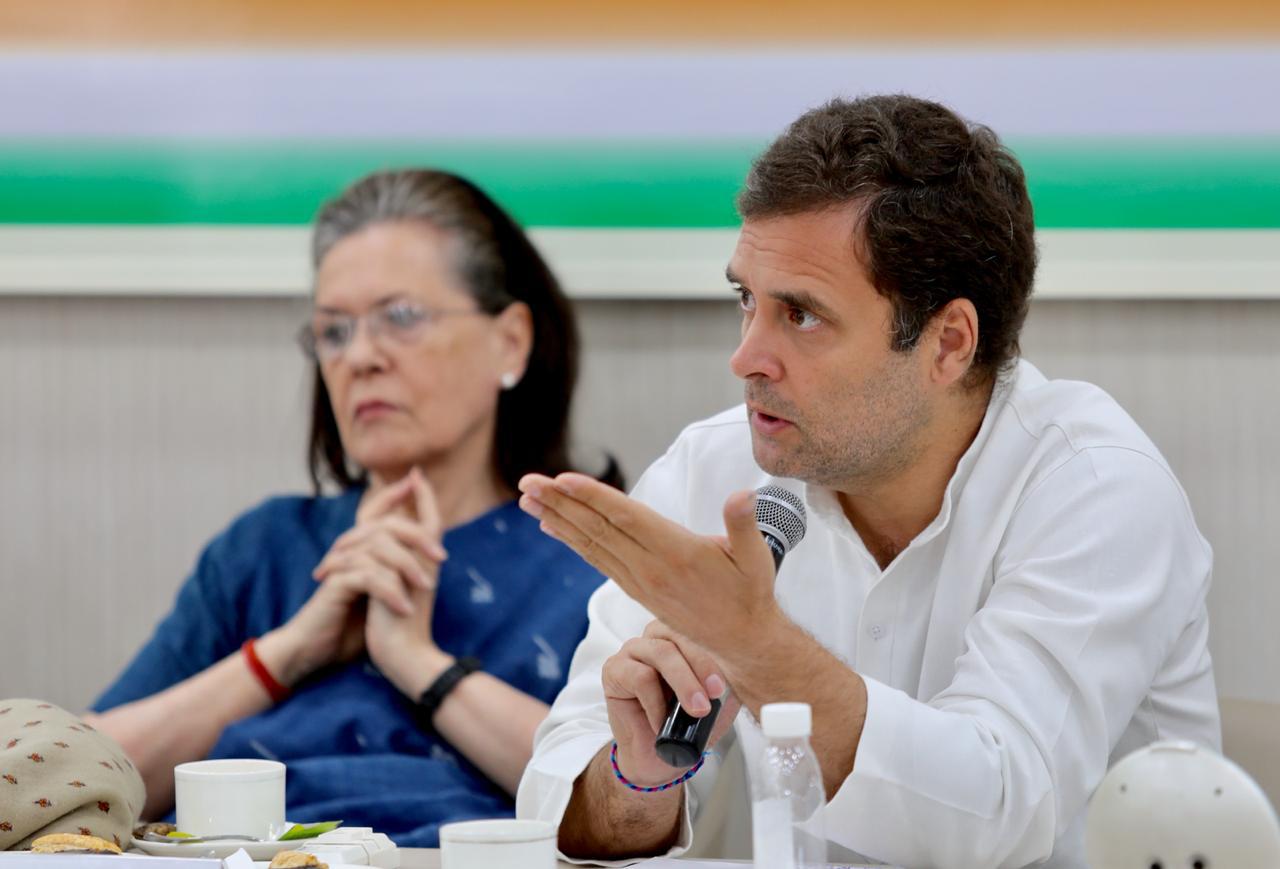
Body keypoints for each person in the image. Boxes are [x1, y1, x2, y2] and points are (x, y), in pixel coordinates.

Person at [515, 95, 1220, 869]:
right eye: (747, 300)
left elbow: (998, 813)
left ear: (948, 343)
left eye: (801, 315)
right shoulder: (712, 471)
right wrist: (640, 778)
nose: (746, 357)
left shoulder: (1098, 488)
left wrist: (757, 647)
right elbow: (559, 804)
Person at [88, 169, 619, 846]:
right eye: (334, 331)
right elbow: (74, 780)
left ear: (509, 341)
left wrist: (419, 663)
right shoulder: (266, 548)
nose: (360, 356)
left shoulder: (591, 562)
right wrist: (286, 653)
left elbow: (628, 805)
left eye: (401, 317)